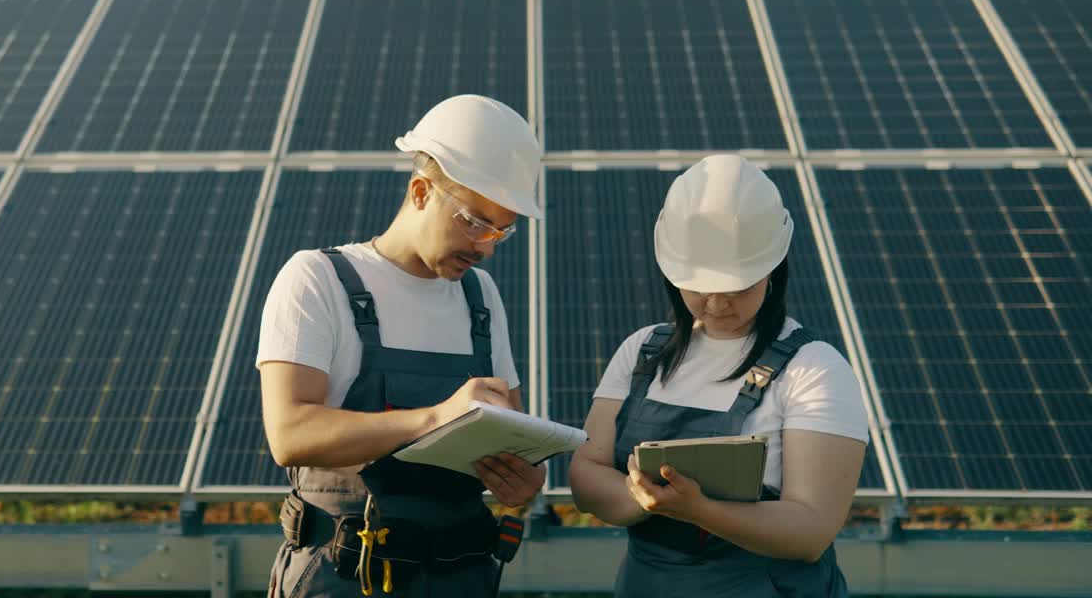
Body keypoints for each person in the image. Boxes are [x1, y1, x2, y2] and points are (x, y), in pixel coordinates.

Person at [259, 94, 547, 598]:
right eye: (475, 221)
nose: (484, 247)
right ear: (420, 192)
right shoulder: (317, 279)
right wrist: (435, 419)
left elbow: (512, 433)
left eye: (502, 230)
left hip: (462, 578)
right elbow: (289, 433)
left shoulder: (481, 299)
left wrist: (521, 482)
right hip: (343, 578)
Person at [568, 154, 869, 598]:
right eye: (698, 286)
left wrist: (698, 509)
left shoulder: (815, 369)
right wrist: (645, 496)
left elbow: (811, 531)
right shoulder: (643, 352)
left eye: (736, 286)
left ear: (773, 268)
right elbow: (587, 472)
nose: (715, 304)